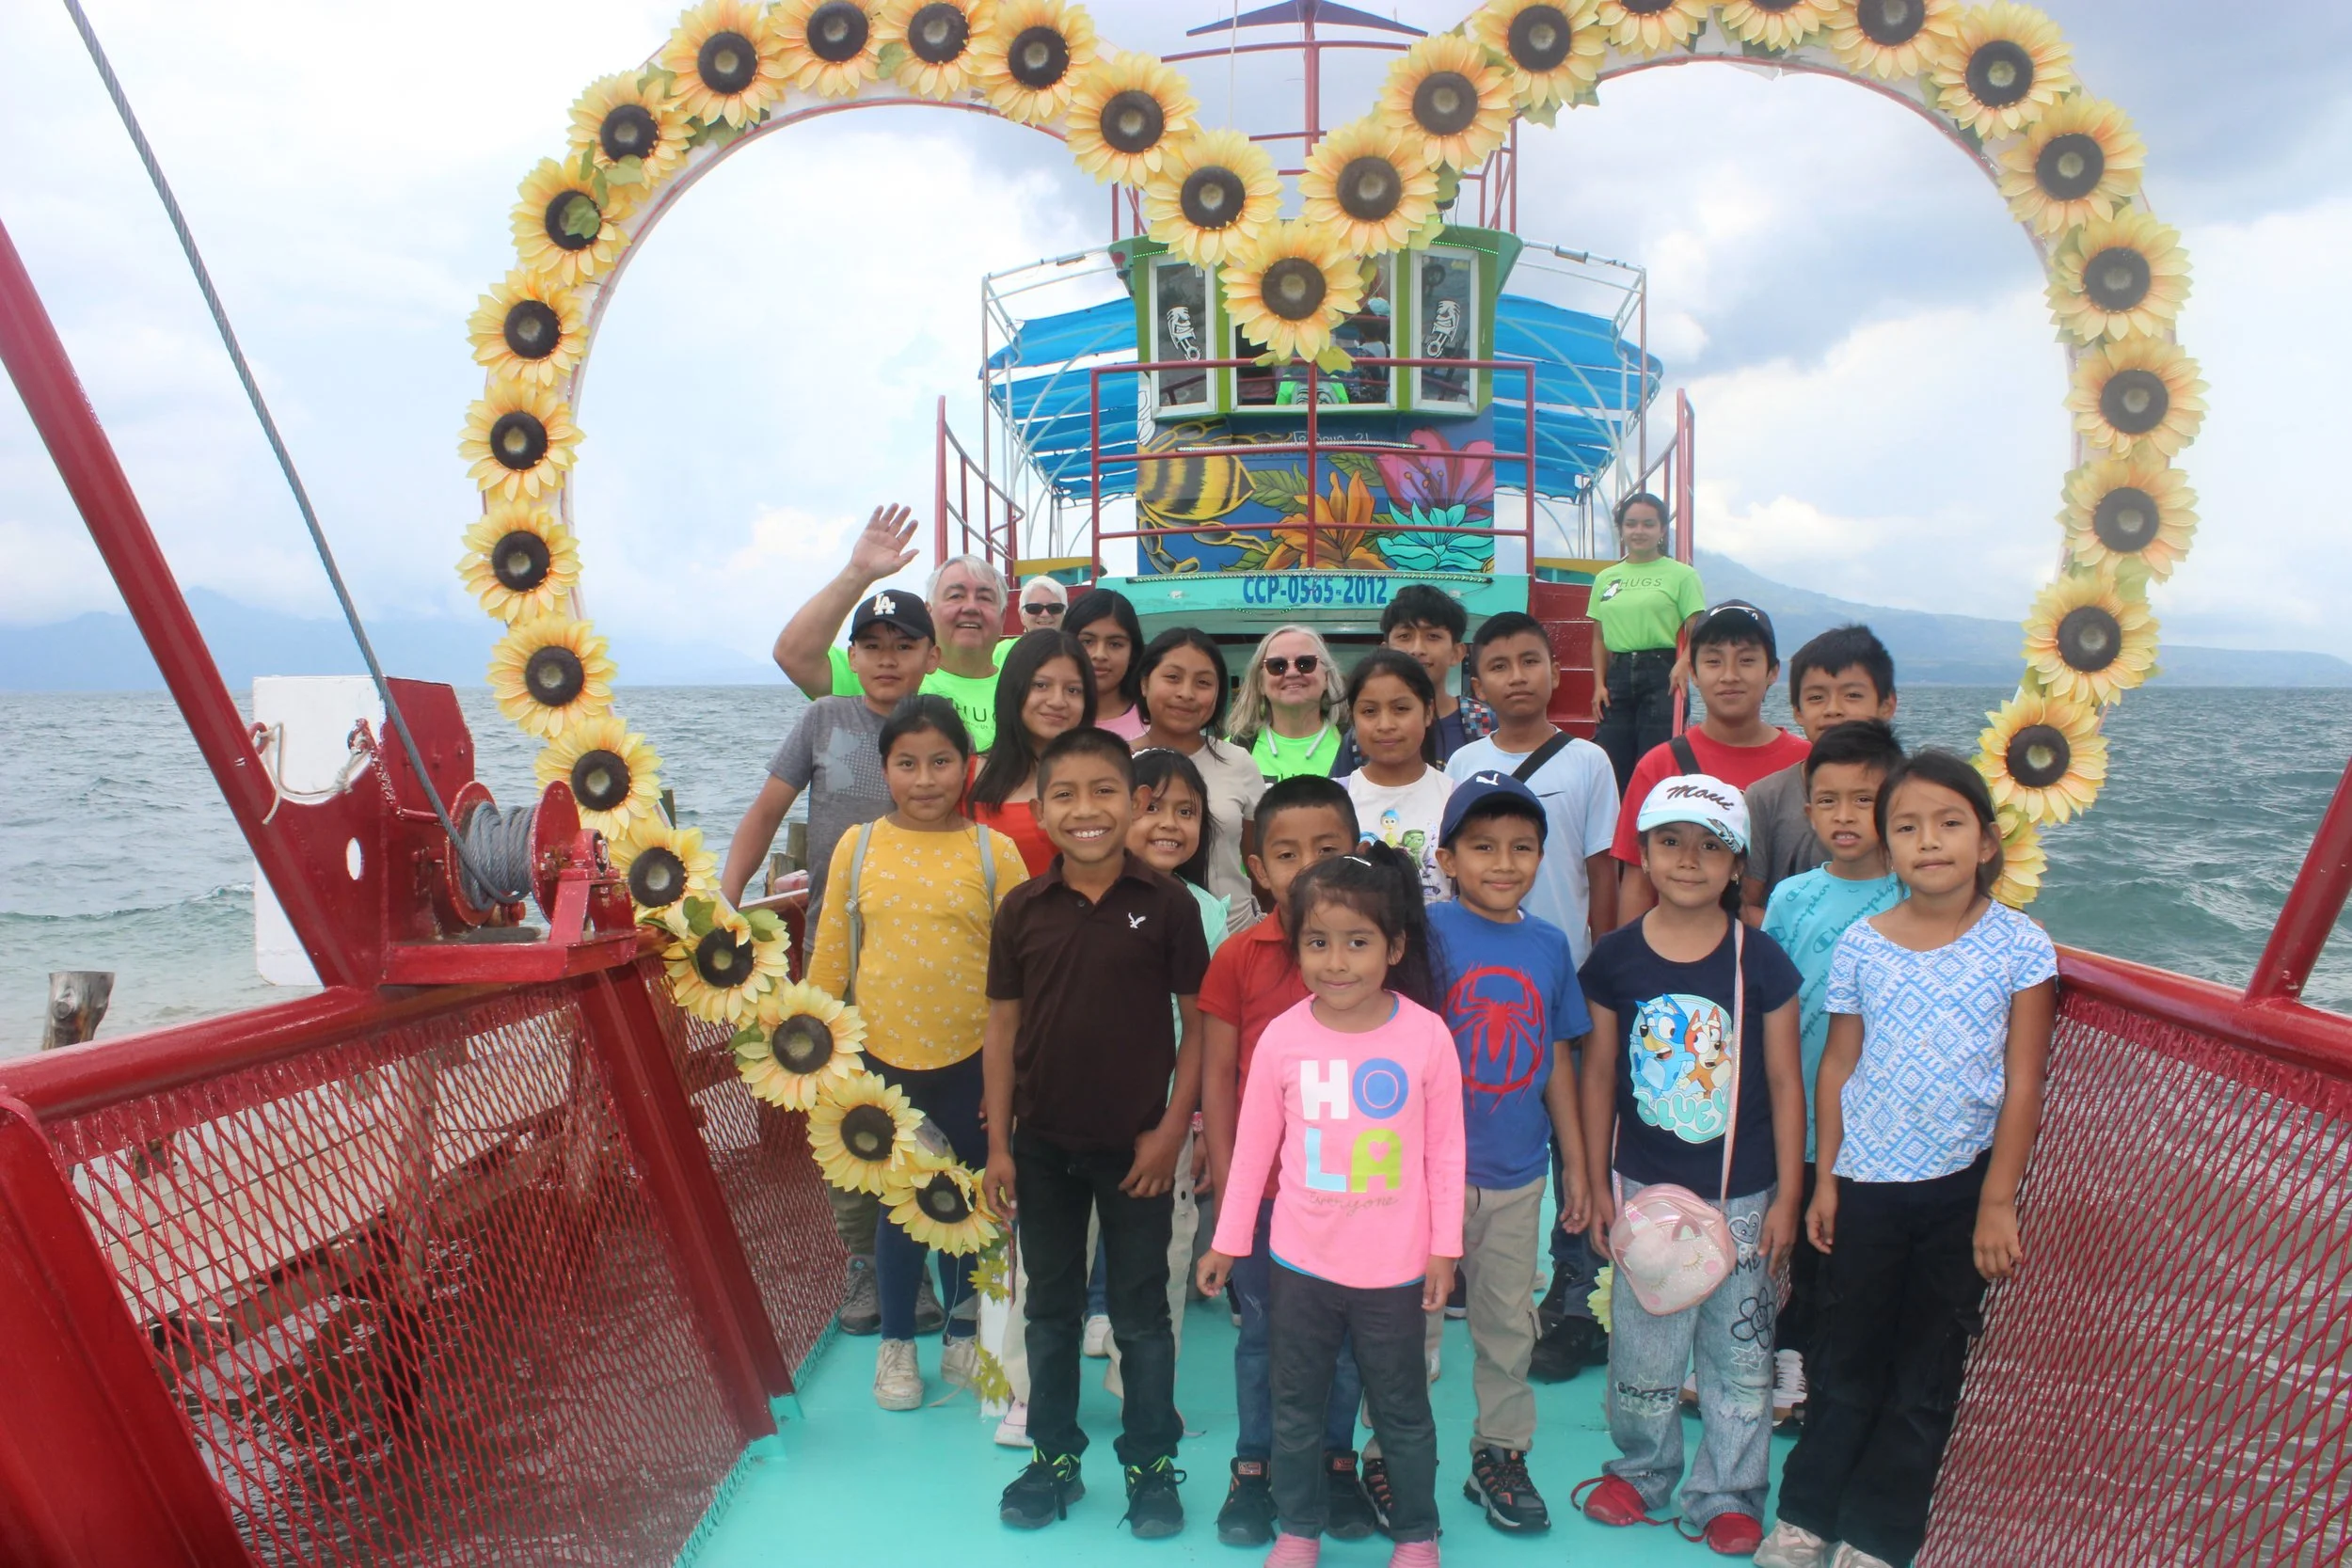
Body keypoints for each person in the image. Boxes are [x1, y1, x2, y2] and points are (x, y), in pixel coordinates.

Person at [1756, 752, 2057, 1568]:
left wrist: (1998, 1200)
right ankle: (1807, 1515)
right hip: (1865, 1187)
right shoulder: (1864, 943)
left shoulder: (2021, 945)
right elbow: (1838, 1065)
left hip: (1961, 1189)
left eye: (1949, 823)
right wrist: (1826, 1180)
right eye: (1909, 826)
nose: (1929, 841)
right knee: (1843, 1357)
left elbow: (2024, 1082)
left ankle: (1878, 1536)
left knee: (1927, 1371)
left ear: (1987, 841)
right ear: (1888, 848)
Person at [1198, 847, 1465, 1568]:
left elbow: (1445, 1152)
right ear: (1296, 947)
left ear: (1394, 947)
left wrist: (1444, 1248)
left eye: (1357, 942)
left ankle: (1416, 1534)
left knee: (1402, 1408)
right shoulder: (1284, 1037)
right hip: (1301, 1265)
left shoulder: (1426, 1035)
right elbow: (1253, 1150)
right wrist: (1227, 1240)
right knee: (1295, 1405)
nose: (1336, 962)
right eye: (1318, 942)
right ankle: (1299, 1528)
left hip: (1394, 1270)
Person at [983, 729, 1211, 1539]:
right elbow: (1002, 1027)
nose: (1087, 809)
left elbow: (1200, 1027)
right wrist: (1001, 1144)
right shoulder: (1022, 909)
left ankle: (1150, 1462)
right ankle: (1054, 1457)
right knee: (1049, 1309)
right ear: (1041, 811)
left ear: (1134, 802)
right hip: (1042, 1146)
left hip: (1139, 1150)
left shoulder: (1171, 905)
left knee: (1143, 1314)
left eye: (1105, 790)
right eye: (1066, 794)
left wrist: (1171, 1131)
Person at [1576, 775, 1804, 1557]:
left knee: (1739, 1352)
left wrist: (1788, 1194)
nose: (1688, 859)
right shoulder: (1615, 958)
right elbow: (1598, 1073)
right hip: (1645, 1186)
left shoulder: (1760, 959)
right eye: (1670, 841)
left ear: (1738, 864)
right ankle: (1641, 1471)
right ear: (1643, 854)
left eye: (1712, 846)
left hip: (1743, 1193)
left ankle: (1730, 1492)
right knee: (1645, 1343)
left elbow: (1785, 1080)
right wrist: (1596, 1183)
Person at [722, 590, 946, 1338]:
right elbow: (765, 812)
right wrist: (725, 902)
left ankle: (919, 1255)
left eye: (904, 644)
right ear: (851, 657)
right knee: (844, 1111)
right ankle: (864, 1260)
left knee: (922, 1110)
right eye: (872, 644)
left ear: (931, 657)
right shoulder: (822, 719)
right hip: (832, 957)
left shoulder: (942, 730)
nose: (887, 659)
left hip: (926, 960)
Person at [803, 697, 1023, 1411]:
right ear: (885, 768)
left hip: (975, 1062)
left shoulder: (994, 852)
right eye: (907, 763)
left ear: (967, 766)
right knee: (900, 1210)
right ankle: (896, 1345)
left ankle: (963, 1329)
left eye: (940, 762)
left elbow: (1023, 970)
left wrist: (1014, 1074)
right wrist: (819, 1058)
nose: (925, 779)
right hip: (884, 1065)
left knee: (967, 1202)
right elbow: (831, 957)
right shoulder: (859, 845)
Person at [1407, 772, 1593, 1536]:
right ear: (1447, 859)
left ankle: (1500, 1453)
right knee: (1408, 1332)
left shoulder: (1550, 945)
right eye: (1483, 847)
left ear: (1542, 858)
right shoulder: (1420, 935)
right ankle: (1393, 1457)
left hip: (1518, 1179)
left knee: (1508, 1328)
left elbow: (1556, 1060)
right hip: (1425, 1182)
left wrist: (1575, 1165)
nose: (1504, 862)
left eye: (1522, 847)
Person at [1440, 610, 1620, 1378]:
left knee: (1569, 1133)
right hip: (1476, 978)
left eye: (1530, 660)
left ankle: (1574, 1297)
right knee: (1484, 1114)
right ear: (1476, 682)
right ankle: (1455, 1266)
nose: (1516, 676)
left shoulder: (1589, 760)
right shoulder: (1463, 760)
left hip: (1560, 974)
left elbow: (1602, 872)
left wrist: (1599, 964)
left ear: (1555, 670)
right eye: (1499, 665)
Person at [1198, 775, 1372, 1547]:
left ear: (1357, 853)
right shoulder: (1239, 957)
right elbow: (1219, 1078)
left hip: (1357, 1199)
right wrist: (1233, 1200)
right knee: (1263, 1338)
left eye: (1327, 850)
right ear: (1258, 868)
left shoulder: (1375, 956)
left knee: (1349, 1343)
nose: (1307, 869)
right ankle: (1254, 1468)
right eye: (1287, 854)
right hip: (1268, 1200)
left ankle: (1335, 1463)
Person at [1757, 719, 1907, 1423]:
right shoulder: (1791, 898)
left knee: (1838, 1247)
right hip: (1796, 1104)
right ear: (1807, 806)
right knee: (1780, 1237)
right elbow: (1767, 998)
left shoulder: (1912, 897)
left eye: (1864, 799)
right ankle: (1768, 1355)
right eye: (1828, 800)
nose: (1844, 816)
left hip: (1872, 1117)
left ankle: (1814, 1366)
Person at [1612, 601, 1810, 927]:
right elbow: (1637, 880)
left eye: (1747, 660)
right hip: (1681, 950)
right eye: (1714, 661)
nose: (1729, 676)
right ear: (1693, 672)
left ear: (1773, 672)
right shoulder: (1659, 765)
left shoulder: (1809, 764)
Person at [771, 503, 1009, 748]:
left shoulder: (1023, 683)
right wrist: (858, 572)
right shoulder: (885, 674)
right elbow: (794, 656)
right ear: (929, 612)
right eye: (955, 596)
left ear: (1003, 616)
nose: (970, 607)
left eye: (985, 597)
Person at [1742, 626, 1899, 925]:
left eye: (1852, 695)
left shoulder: (1914, 792)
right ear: (1797, 711)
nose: (1833, 710)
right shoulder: (1765, 797)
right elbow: (1745, 905)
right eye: (1816, 697)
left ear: (1886, 704)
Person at [1136, 627, 1264, 934]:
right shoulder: (1118, 763)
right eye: (1173, 677)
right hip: (1141, 938)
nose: (1187, 693)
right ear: (1144, 683)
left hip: (1235, 939)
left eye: (1203, 682)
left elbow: (1260, 863)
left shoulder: (1238, 762)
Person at [1588, 492, 1707, 794]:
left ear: (1662, 529)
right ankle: (1618, 823)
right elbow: (1599, 637)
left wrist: (1684, 663)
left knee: (1658, 760)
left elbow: (1698, 628)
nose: (1638, 531)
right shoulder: (1606, 578)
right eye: (1631, 524)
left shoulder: (1682, 575)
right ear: (1621, 529)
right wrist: (1599, 684)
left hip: (1662, 672)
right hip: (1617, 675)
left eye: (1648, 524)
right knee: (1612, 761)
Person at [965, 629, 1096, 877]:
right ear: (1013, 689)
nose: (1057, 701)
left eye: (1073, 690)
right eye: (1041, 685)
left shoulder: (1104, 778)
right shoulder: (966, 775)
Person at [1333, 584, 1499, 776]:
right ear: (1385, 651)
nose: (1417, 649)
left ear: (1457, 653)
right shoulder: (1361, 739)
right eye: (1405, 636)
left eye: (1433, 636)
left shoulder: (1484, 724)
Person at [1342, 650, 1455, 906]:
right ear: (1353, 717)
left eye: (1401, 709)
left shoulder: (1455, 797)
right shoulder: (1336, 798)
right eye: (1369, 711)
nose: (1385, 724)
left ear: (1428, 712)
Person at [1227, 625, 1347, 783]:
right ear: (1260, 683)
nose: (1292, 673)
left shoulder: (1357, 748)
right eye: (1277, 665)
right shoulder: (1230, 752)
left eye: (1305, 663)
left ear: (1326, 677)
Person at [1067, 588, 1150, 741]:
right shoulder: (1050, 717)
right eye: (1087, 641)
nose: (1100, 655)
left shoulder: (1152, 722)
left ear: (1133, 653)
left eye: (1115, 644)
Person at [998, 575, 1073, 666]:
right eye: (1034, 608)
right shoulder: (1001, 652)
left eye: (1055, 608)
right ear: (1022, 615)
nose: (1045, 614)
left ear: (1065, 613)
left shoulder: (1076, 653)